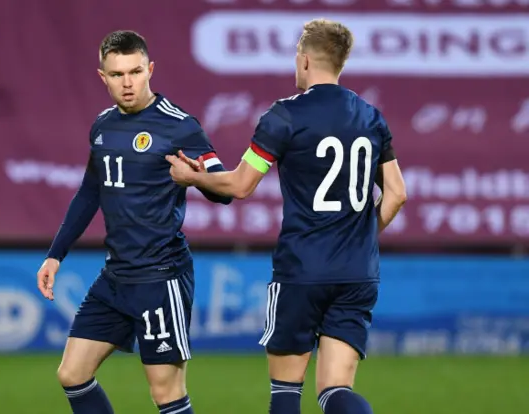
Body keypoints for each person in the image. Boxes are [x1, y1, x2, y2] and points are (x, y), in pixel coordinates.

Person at [167, 18, 407, 414]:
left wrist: (192, 178)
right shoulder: (370, 116)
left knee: (285, 391)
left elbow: (241, 186)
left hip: (302, 269)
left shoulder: (284, 116)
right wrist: (361, 236)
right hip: (358, 271)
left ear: (305, 60)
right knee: (334, 392)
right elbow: (397, 194)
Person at [36, 30, 232, 414]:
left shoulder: (180, 126)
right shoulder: (103, 127)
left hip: (161, 277)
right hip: (117, 277)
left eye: (135, 71)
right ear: (102, 76)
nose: (127, 83)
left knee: (166, 393)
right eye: (117, 74)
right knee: (72, 373)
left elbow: (223, 189)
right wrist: (55, 255)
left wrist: (196, 178)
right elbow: (89, 193)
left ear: (150, 70)